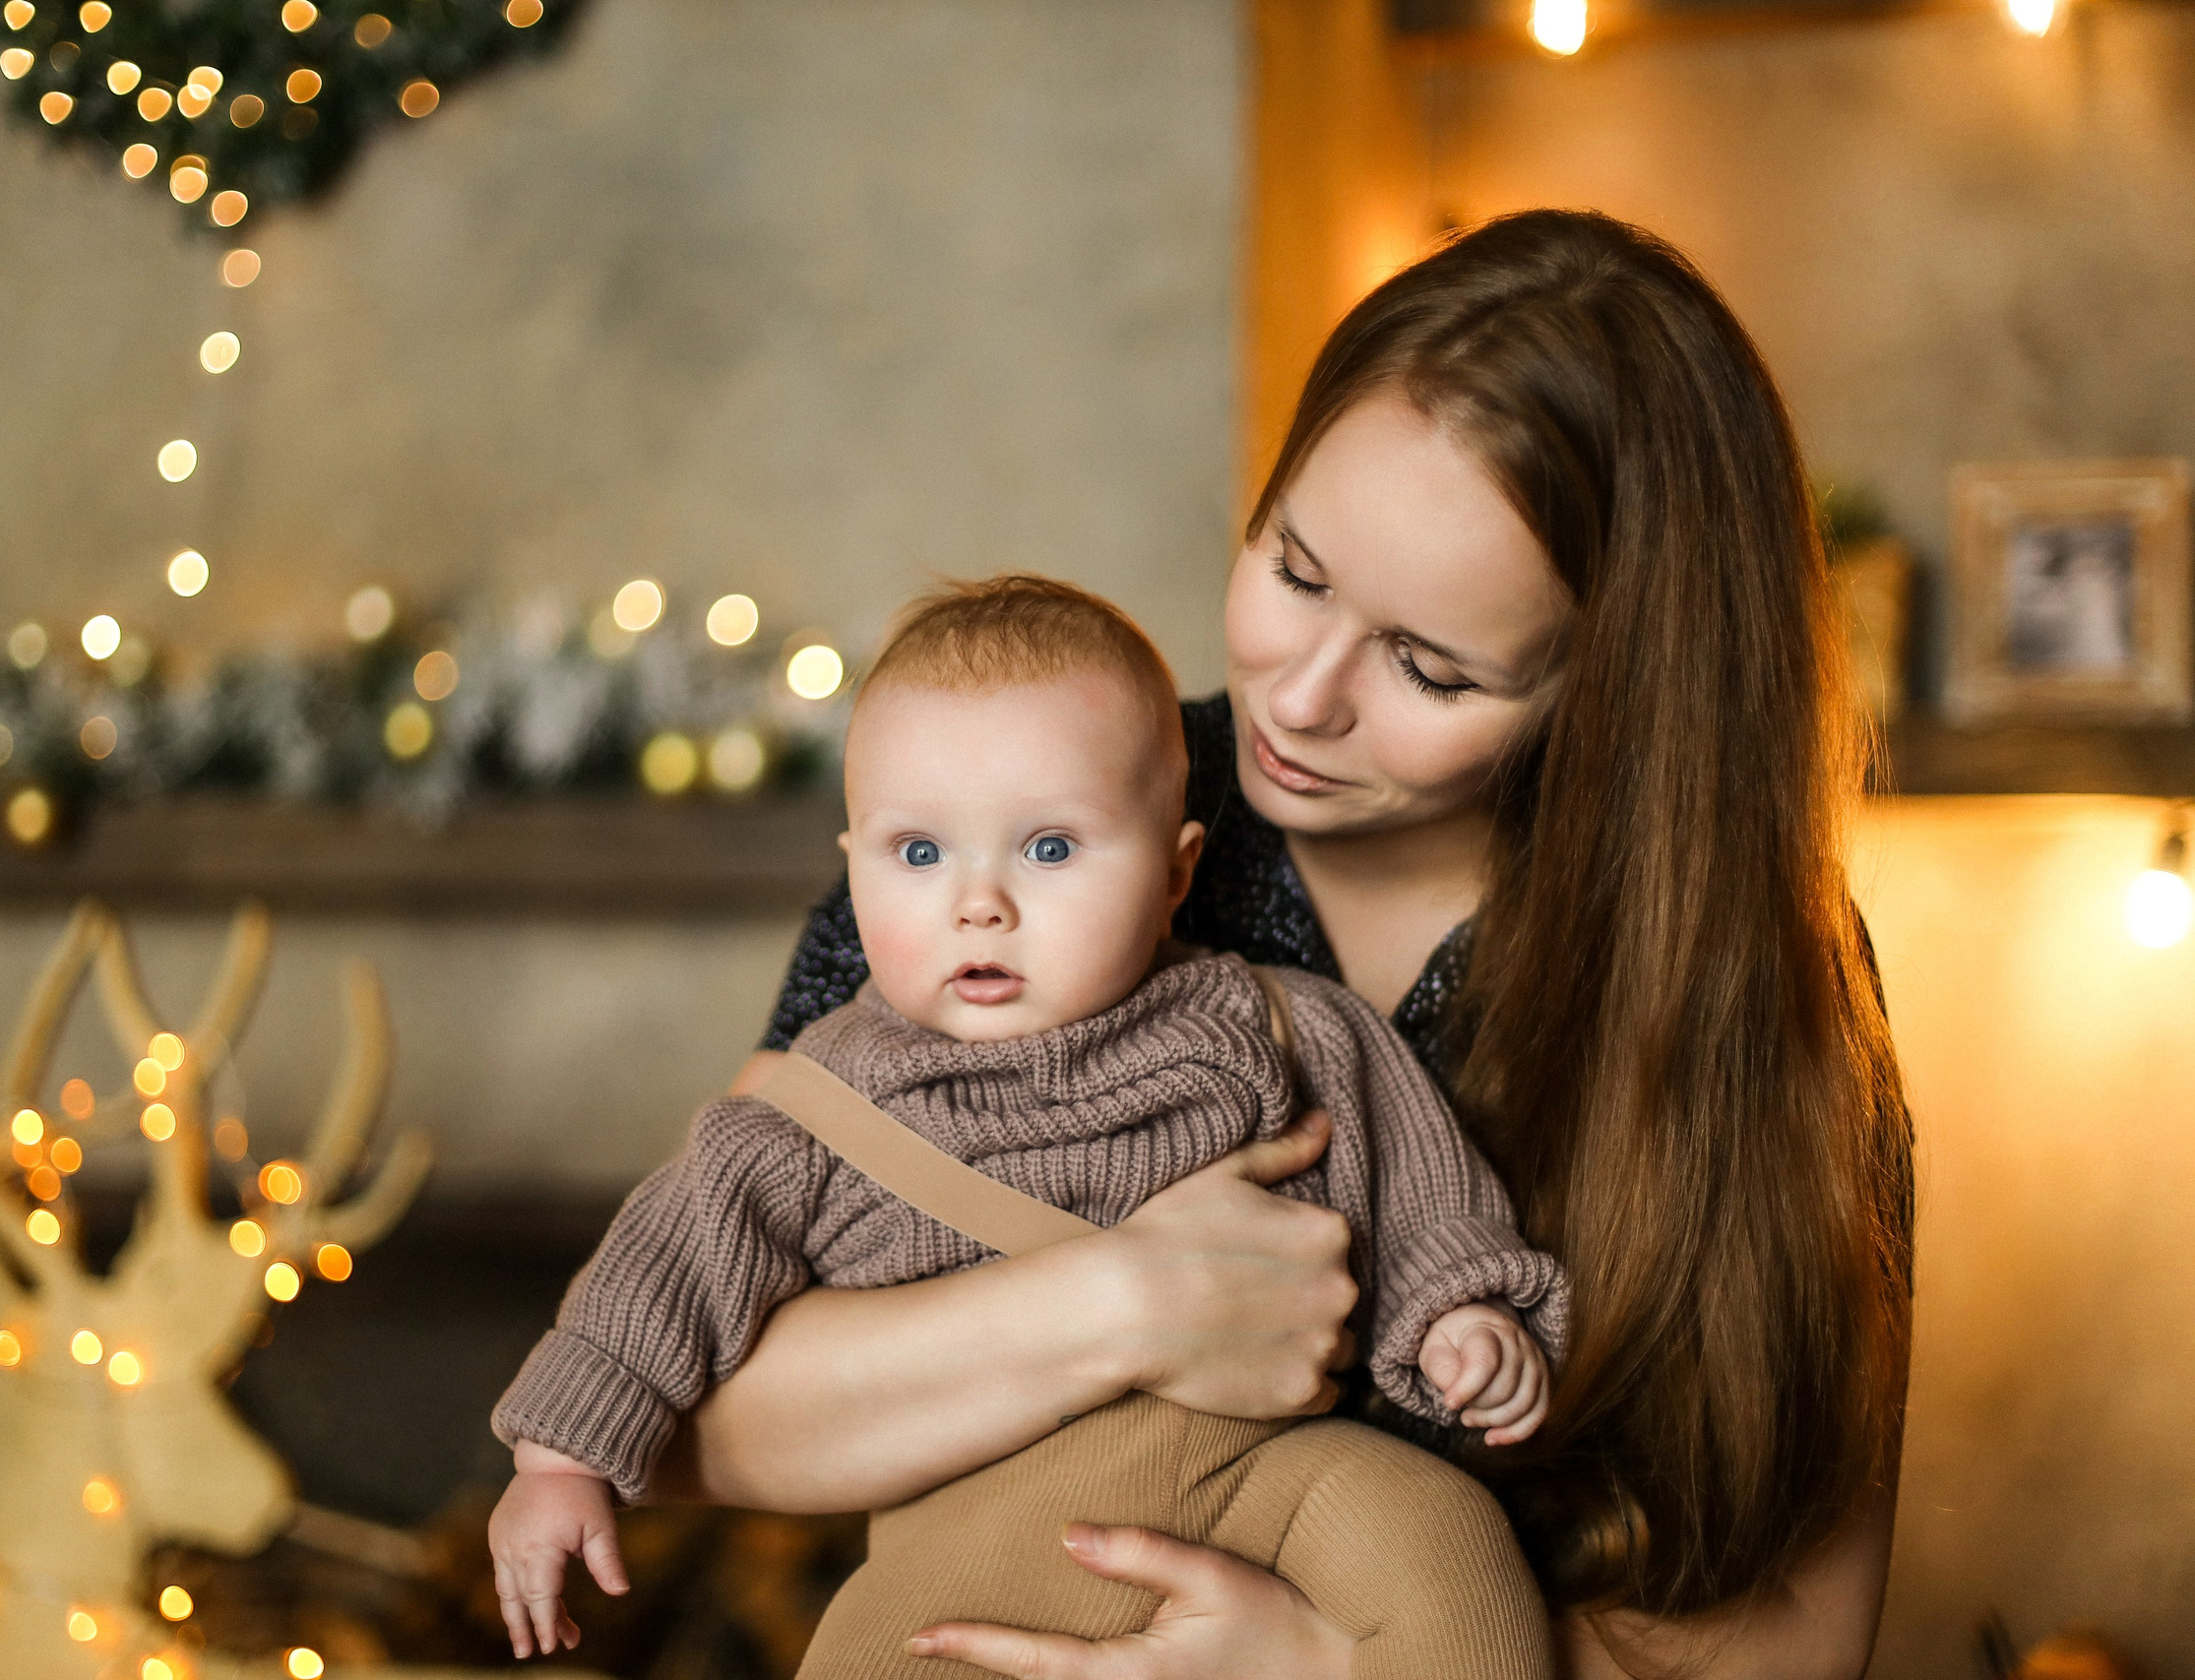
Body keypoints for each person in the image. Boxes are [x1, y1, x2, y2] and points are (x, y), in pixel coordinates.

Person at [661, 210, 1916, 1679]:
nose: (1303, 697)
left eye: (1428, 666)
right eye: (1296, 569)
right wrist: (1128, 1302)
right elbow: (688, 1405)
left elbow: (1800, 1643)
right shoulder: (1035, 813)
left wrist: (1341, 1664)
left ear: (1611, 693)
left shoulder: (1753, 979)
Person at [486, 577, 1568, 1672]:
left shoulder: (1274, 1024)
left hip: (1271, 1476)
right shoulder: (810, 1113)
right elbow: (660, 1269)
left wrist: (1458, 1313)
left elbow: (1418, 1176)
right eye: (918, 854)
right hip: (973, 1533)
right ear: (852, 870)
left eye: (1048, 849)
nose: (979, 903)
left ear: (1175, 872)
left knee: (1456, 1558)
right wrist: (557, 1462)